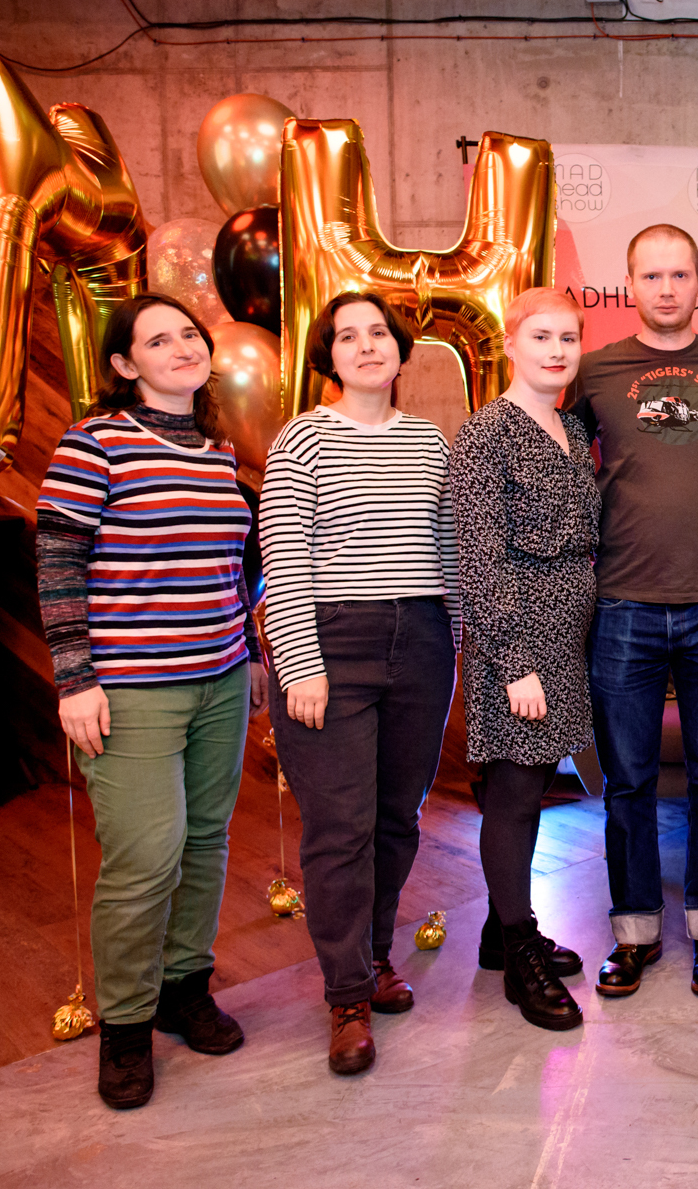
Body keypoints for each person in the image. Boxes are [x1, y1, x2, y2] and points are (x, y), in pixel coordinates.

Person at [35, 293, 268, 1110]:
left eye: (189, 334)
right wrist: (74, 679)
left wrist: (252, 653)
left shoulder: (217, 451)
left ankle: (183, 990)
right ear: (124, 364)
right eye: (158, 340)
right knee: (144, 858)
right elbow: (58, 562)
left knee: (204, 843)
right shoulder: (94, 442)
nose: (182, 347)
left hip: (221, 679)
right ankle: (126, 1026)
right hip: (131, 688)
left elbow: (232, 570)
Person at [260, 292, 461, 1076]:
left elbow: (446, 549)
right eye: (348, 336)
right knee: (339, 829)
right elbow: (284, 557)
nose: (367, 345)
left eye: (379, 332)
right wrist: (299, 662)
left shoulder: (426, 440)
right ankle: (346, 996)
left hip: (422, 641)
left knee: (396, 819)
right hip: (332, 643)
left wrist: (457, 642)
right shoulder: (303, 438)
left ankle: (375, 957)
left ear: (401, 350)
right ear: (330, 357)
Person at [569, 223, 698, 999]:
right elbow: (560, 469)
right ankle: (634, 932)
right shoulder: (593, 372)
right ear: (630, 285)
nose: (666, 288)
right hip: (623, 604)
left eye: (679, 274)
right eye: (650, 276)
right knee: (627, 781)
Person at [449, 286, 600, 1031]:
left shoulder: (570, 425)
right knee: (512, 795)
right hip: (519, 640)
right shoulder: (485, 434)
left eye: (568, 338)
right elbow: (478, 558)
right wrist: (515, 662)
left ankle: (499, 930)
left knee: (534, 784)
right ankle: (519, 957)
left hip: (566, 639)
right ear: (509, 344)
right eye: (540, 336)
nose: (556, 350)